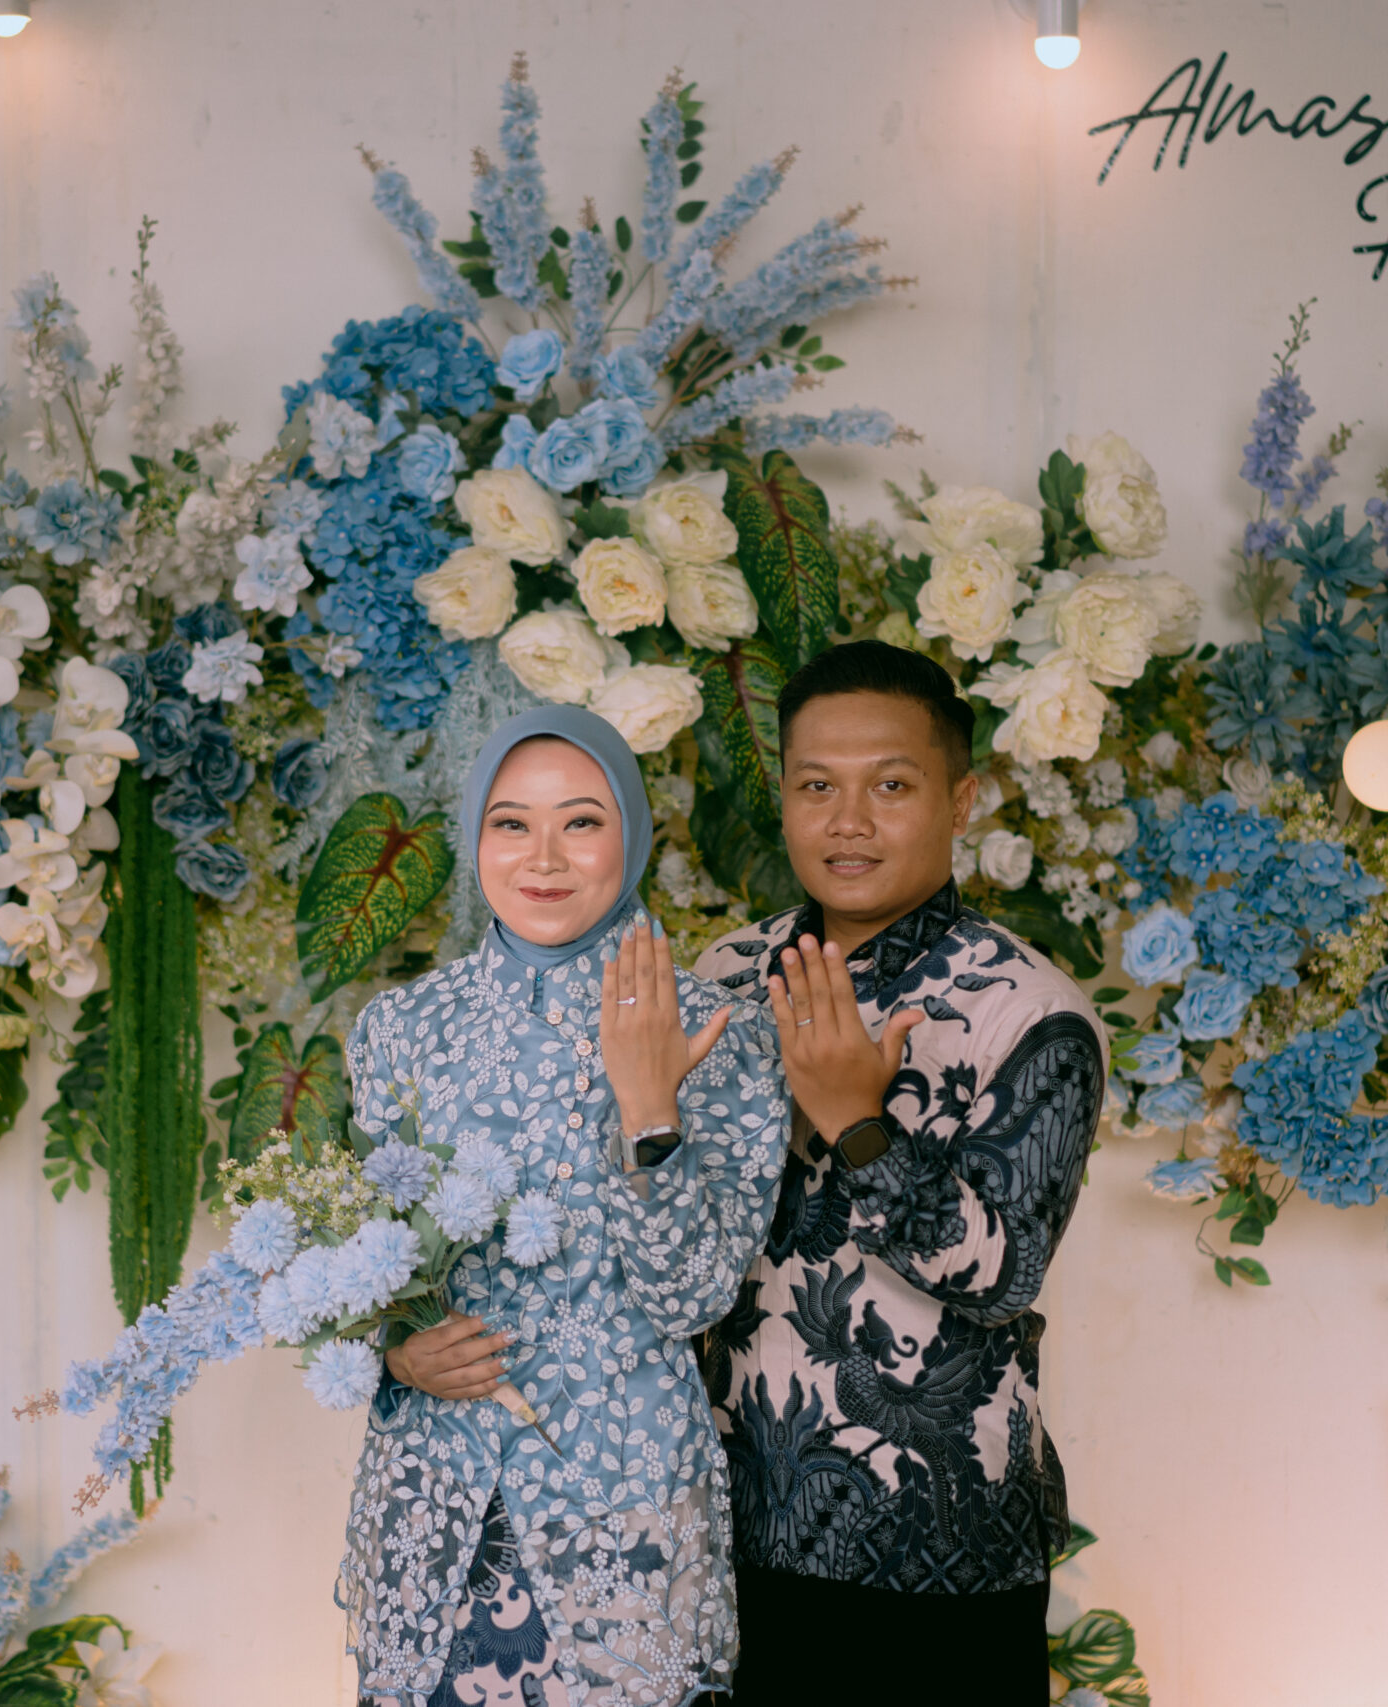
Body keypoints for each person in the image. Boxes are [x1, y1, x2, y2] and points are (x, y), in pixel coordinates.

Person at [338, 705, 788, 1707]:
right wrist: (398, 1351)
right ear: (476, 835)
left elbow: (690, 1297)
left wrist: (649, 1110)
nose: (542, 857)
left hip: (620, 1500)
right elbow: (364, 1259)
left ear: (632, 833)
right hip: (435, 1496)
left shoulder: (718, 1027)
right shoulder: (401, 1029)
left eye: (581, 821)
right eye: (511, 823)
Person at [692, 641, 1105, 1702]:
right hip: (719, 1521)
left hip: (931, 1554)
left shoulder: (1030, 1012)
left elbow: (1002, 1277)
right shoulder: (725, 974)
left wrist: (856, 1124)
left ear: (960, 800)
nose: (847, 821)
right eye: (815, 786)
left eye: (889, 786)